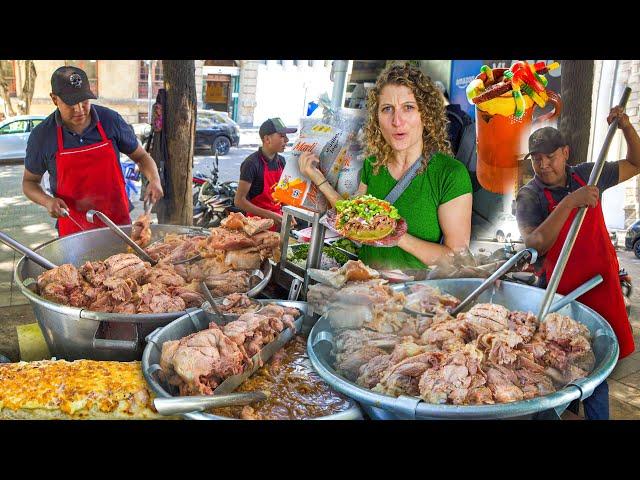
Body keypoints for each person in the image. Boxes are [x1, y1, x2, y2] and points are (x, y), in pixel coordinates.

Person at [515, 108, 640, 419]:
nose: (543, 164)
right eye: (536, 158)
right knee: (564, 367)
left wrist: (625, 127)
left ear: (565, 153)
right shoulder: (529, 196)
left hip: (602, 286)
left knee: (598, 369)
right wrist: (571, 202)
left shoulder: (589, 173)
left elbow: (637, 163)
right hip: (563, 296)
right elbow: (535, 243)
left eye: (550, 156)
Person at [299, 63, 473, 269]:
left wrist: (395, 235)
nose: (397, 121)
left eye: (408, 107)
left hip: (415, 295)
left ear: (425, 115)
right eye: (387, 109)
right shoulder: (373, 163)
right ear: (376, 119)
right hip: (365, 286)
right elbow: (354, 215)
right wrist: (317, 177)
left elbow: (457, 260)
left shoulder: (450, 174)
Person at [22, 66, 163, 236]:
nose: (79, 109)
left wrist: (154, 180)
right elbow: (29, 183)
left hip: (117, 224)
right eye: (71, 104)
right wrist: (47, 201)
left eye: (84, 101)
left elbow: (141, 156)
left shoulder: (111, 121)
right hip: (73, 229)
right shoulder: (42, 136)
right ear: (54, 99)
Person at [235, 117, 297, 230]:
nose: (287, 140)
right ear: (267, 139)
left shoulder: (281, 162)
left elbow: (282, 193)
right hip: (256, 226)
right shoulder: (251, 163)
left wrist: (289, 213)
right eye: (282, 136)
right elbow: (239, 201)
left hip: (278, 222)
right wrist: (270, 215)